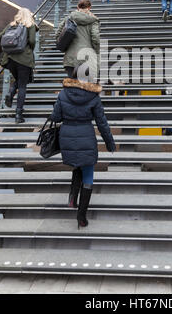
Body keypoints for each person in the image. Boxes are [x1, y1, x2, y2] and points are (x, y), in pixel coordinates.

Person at [50, 68, 116, 228]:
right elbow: (102, 122)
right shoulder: (93, 96)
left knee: (78, 164)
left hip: (67, 135)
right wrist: (109, 142)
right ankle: (81, 216)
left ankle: (73, 197)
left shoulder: (63, 94)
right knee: (88, 172)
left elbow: (56, 117)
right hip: (86, 135)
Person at [0, 8, 38, 124]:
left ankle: (11, 93)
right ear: (29, 15)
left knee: (18, 80)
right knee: (22, 86)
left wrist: (2, 49)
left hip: (10, 59)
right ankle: (18, 114)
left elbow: (0, 36)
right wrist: (29, 50)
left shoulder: (11, 25)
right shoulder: (30, 25)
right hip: (24, 59)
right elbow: (32, 41)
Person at [56, 0, 100, 78]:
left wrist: (65, 44)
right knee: (84, 86)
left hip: (70, 58)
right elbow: (95, 38)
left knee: (72, 85)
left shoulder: (69, 18)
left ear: (77, 7)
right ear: (89, 8)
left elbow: (58, 34)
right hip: (86, 58)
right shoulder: (93, 20)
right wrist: (96, 51)